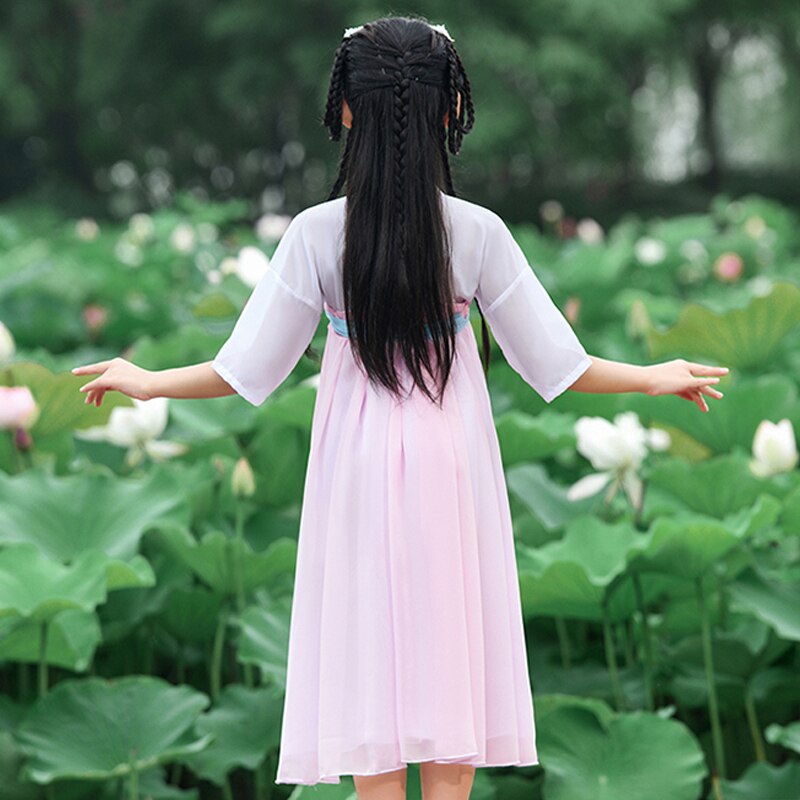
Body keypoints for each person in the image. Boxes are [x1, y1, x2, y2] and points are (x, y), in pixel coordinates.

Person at [71, 15, 728, 800]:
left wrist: (146, 381)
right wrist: (655, 377)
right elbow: (559, 364)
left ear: (347, 110)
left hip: (356, 467)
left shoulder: (317, 237)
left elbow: (243, 371)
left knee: (369, 704)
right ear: (452, 111)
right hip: (452, 466)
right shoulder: (477, 233)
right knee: (451, 726)